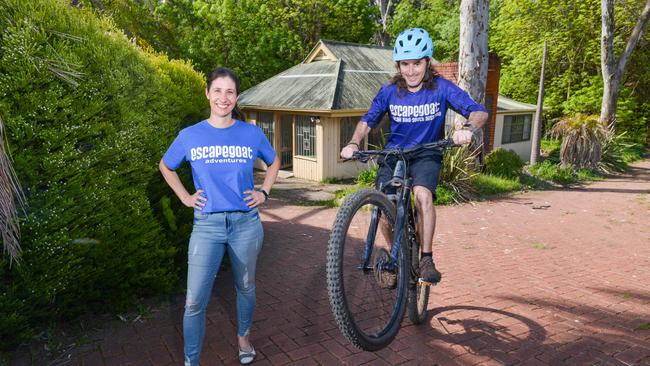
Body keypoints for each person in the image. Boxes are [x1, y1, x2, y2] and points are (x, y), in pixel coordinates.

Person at [340, 28, 488, 285]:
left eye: (417, 63)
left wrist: (467, 130)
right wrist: (353, 142)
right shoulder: (389, 91)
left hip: (426, 154)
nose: (411, 70)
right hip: (394, 155)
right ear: (398, 65)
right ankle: (395, 258)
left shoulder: (441, 88)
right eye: (405, 64)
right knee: (385, 205)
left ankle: (426, 257)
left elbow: (479, 112)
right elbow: (368, 120)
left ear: (427, 62)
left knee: (422, 195)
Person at [159, 67, 280, 365]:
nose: (223, 98)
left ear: (236, 96)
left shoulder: (250, 133)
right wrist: (186, 197)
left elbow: (274, 161)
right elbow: (166, 165)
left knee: (246, 287)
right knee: (193, 301)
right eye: (217, 90)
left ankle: (243, 338)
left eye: (230, 92)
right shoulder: (190, 136)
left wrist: (264, 191)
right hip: (207, 227)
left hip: (245, 225)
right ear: (207, 93)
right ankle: (191, 361)